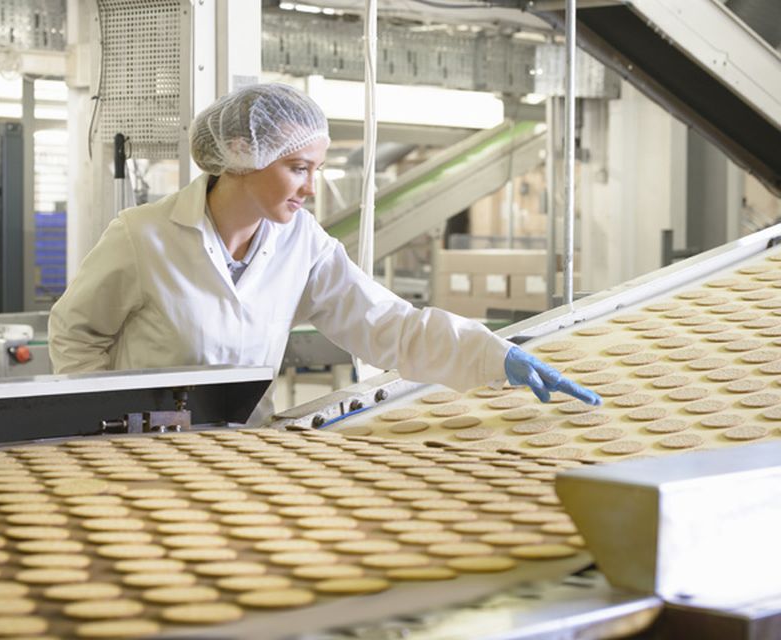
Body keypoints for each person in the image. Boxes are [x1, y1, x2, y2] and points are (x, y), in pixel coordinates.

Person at [49, 83, 600, 424]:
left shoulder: (301, 241)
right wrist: (99, 423)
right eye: (298, 168)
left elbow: (388, 325)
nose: (311, 188)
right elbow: (76, 334)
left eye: (316, 169)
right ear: (241, 154)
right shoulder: (144, 235)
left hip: (242, 451)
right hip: (139, 453)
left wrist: (492, 355)